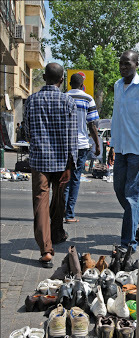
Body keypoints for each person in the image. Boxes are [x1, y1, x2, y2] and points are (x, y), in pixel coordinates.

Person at [23, 63, 78, 265]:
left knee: (40, 202)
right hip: (62, 161)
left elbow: (27, 132)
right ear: (62, 80)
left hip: (39, 159)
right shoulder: (67, 101)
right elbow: (72, 137)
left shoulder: (31, 100)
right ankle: (56, 233)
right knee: (59, 200)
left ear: (44, 77)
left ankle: (46, 248)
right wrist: (71, 164)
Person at [108, 50, 139, 253]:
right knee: (119, 190)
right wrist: (112, 145)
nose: (123, 67)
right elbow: (116, 117)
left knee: (131, 197)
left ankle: (128, 244)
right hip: (121, 149)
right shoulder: (118, 86)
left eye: (127, 64)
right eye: (121, 63)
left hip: (138, 150)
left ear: (137, 64)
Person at [64, 73, 100, 223]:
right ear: (81, 85)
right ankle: (69, 214)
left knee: (64, 179)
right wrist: (97, 144)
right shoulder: (88, 99)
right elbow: (92, 124)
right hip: (81, 145)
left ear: (70, 84)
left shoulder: (63, 97)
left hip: (64, 145)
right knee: (75, 178)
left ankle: (60, 212)